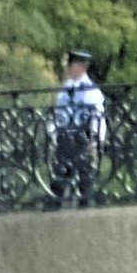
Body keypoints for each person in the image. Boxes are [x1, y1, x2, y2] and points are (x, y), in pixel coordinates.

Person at [48, 52, 105, 206]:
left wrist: (95, 139)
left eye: (70, 66)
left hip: (83, 139)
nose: (67, 69)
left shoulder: (91, 91)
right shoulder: (66, 89)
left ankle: (85, 208)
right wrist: (54, 132)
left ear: (80, 67)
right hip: (66, 138)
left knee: (85, 181)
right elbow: (59, 112)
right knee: (59, 179)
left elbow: (97, 116)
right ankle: (54, 207)